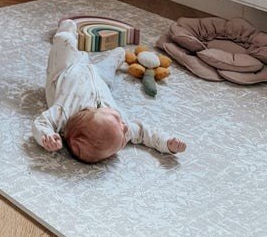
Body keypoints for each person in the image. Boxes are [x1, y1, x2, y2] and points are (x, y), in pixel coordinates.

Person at [34, 19, 187, 163]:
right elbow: (143, 132)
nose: (125, 126)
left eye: (122, 141)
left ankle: (65, 31)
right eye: (122, 141)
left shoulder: (63, 112)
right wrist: (166, 143)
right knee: (112, 63)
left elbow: (41, 123)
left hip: (66, 71)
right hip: (101, 79)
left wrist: (46, 136)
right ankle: (117, 57)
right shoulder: (121, 131)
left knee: (65, 42)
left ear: (89, 111)